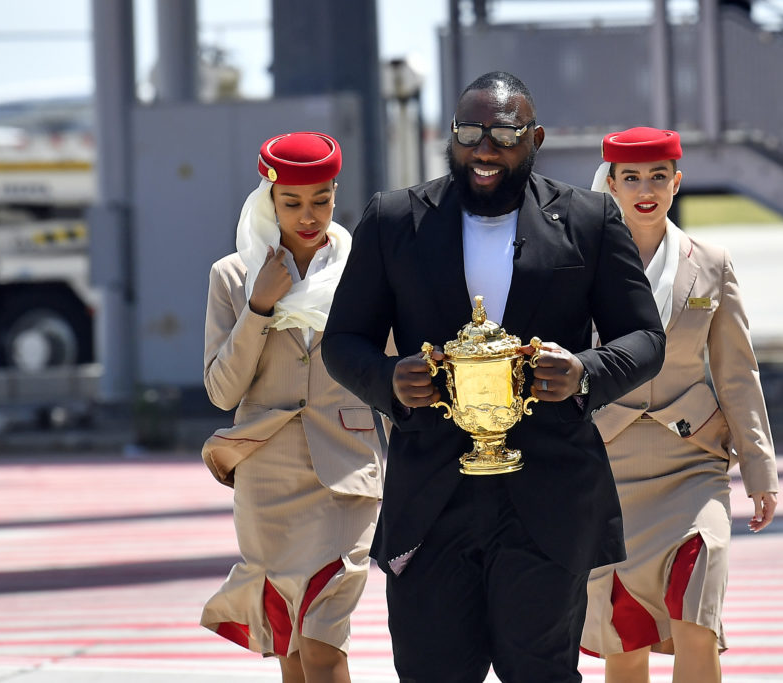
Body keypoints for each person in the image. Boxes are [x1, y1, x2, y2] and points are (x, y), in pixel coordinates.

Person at [321, 71, 666, 682]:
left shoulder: (589, 219)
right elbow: (344, 341)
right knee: (433, 672)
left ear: (535, 137)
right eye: (470, 132)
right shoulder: (394, 220)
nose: (485, 149)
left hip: (549, 496)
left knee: (539, 672)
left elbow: (643, 338)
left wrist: (584, 372)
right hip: (430, 498)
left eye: (505, 133)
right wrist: (388, 381)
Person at [579, 127, 779, 683]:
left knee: (698, 620)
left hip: (695, 464)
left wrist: (761, 469)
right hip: (607, 470)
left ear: (677, 182)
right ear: (612, 184)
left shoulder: (712, 262)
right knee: (625, 638)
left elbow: (738, 371)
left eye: (659, 177)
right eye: (633, 178)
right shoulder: (578, 266)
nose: (647, 189)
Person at [199, 131, 384, 683]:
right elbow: (222, 391)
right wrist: (259, 305)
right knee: (293, 648)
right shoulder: (232, 277)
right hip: (267, 476)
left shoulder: (365, 272)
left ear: (335, 195)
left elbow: (391, 372)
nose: (309, 215)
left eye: (322, 200)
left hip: (347, 472)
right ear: (268, 200)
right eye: (293, 203)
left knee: (324, 641)